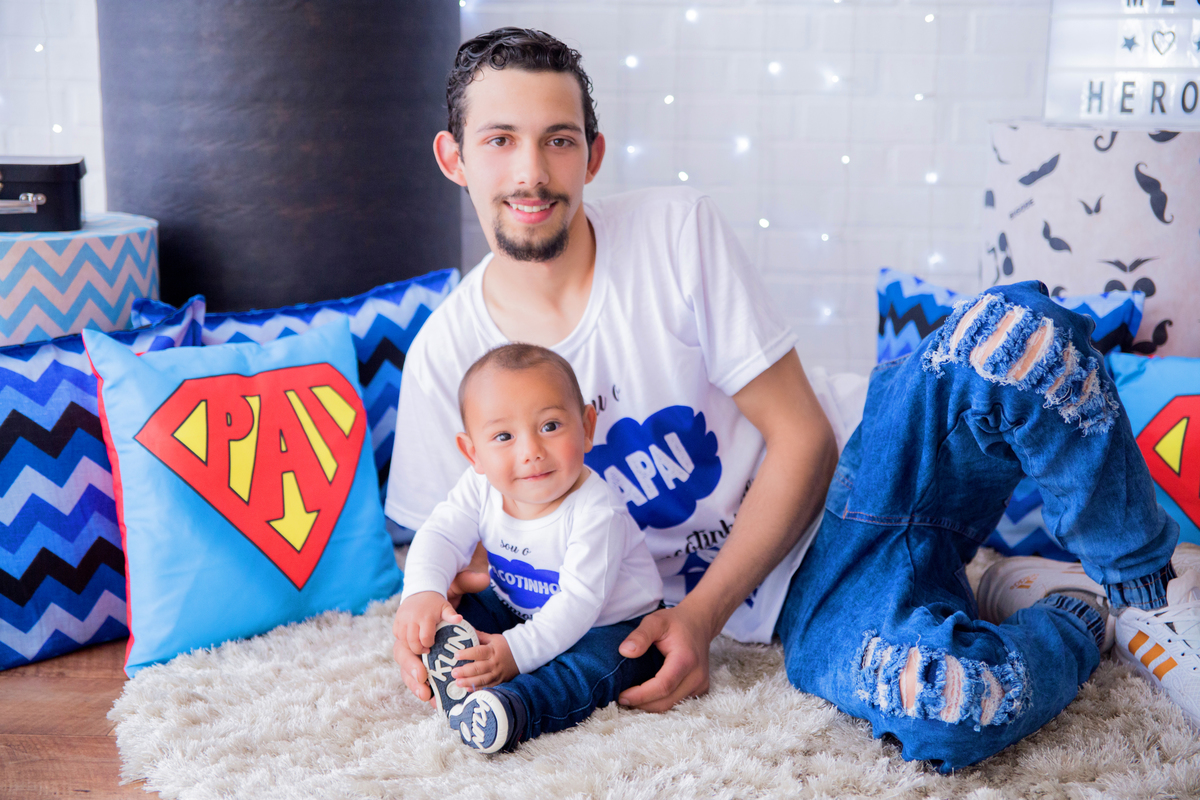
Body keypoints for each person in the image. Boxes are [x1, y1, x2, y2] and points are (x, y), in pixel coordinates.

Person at [389, 27, 1200, 769]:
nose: (530, 170)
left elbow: (803, 439)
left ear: (592, 155)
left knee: (1019, 335)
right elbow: (448, 557)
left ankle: (1150, 596)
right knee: (950, 705)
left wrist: (699, 618)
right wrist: (433, 612)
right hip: (809, 607)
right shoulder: (444, 360)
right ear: (452, 157)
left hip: (860, 483)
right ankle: (1068, 611)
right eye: (499, 141)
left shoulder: (674, 233)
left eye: (555, 140)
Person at [395, 343, 663, 753]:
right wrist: (423, 592)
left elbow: (577, 604)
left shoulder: (597, 511)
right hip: (517, 603)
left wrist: (515, 653)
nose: (531, 451)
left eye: (551, 426)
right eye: (503, 436)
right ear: (473, 453)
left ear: (587, 426)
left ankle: (515, 706)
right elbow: (440, 534)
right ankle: (458, 670)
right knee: (453, 608)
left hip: (607, 623)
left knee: (592, 669)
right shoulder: (480, 487)